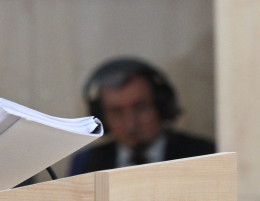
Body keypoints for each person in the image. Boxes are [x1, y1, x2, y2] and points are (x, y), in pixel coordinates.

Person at [69, 57, 215, 175]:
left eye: (140, 108)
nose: (130, 124)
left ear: (161, 106)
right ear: (101, 116)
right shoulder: (86, 163)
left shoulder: (203, 156)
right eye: (117, 112)